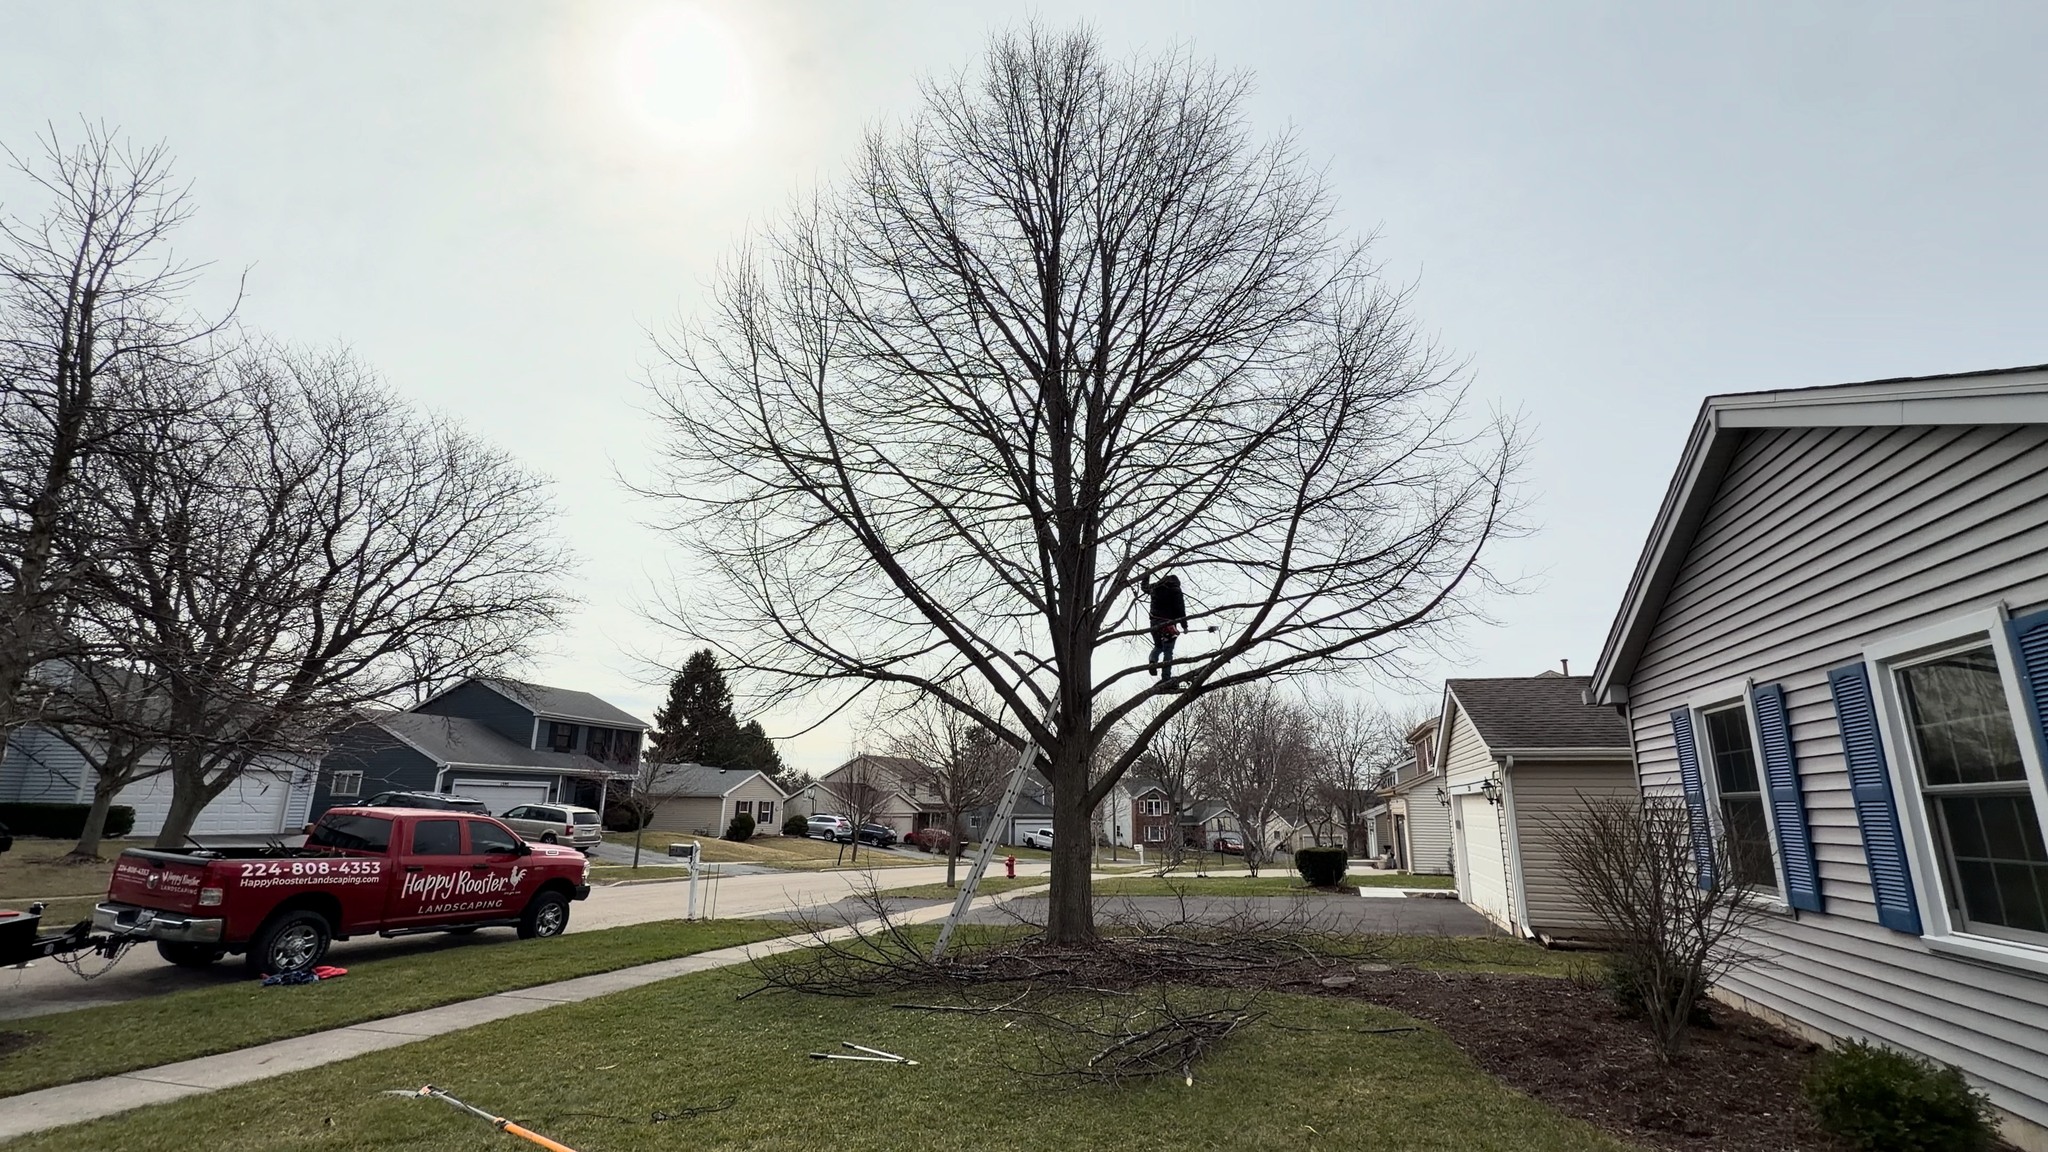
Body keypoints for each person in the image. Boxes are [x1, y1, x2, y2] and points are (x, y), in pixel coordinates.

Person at [1141, 569, 1187, 684]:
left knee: (1158, 646)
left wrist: (1147, 574)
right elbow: (1180, 609)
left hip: (1154, 623)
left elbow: (1144, 587)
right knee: (1168, 650)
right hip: (1168, 624)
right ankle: (1166, 678)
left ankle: (1152, 661)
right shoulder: (1175, 590)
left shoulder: (1155, 587)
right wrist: (1184, 626)